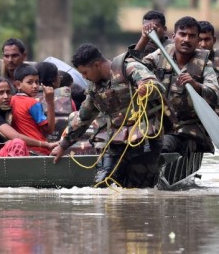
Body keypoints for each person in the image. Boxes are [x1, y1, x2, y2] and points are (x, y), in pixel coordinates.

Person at [52, 43, 165, 188]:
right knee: (102, 183)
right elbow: (83, 118)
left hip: (144, 138)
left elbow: (156, 86)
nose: (84, 77)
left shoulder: (128, 67)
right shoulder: (94, 87)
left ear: (97, 65)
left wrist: (146, 87)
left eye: (85, 73)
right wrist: (63, 145)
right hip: (116, 140)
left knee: (137, 188)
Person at [141, 16, 219, 154]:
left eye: (192, 36)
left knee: (163, 145)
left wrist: (196, 85)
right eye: (182, 34)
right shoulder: (160, 55)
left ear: (197, 41)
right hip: (157, 126)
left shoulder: (205, 64)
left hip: (188, 131)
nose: (186, 40)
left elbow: (215, 94)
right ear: (174, 37)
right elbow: (132, 67)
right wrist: (143, 39)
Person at [0, 78, 59, 157]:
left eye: (8, 92)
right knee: (17, 143)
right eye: (1, 93)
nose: (6, 96)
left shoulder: (5, 111)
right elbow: (15, 136)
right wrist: (46, 144)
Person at [9, 64, 55, 155]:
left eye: (37, 82)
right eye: (30, 82)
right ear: (18, 85)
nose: (35, 86)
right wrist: (50, 102)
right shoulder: (32, 103)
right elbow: (49, 129)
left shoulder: (11, 100)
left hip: (21, 149)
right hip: (39, 149)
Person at [36, 61, 75, 141]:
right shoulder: (67, 100)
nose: (60, 79)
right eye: (59, 76)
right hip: (62, 144)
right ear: (53, 81)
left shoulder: (27, 98)